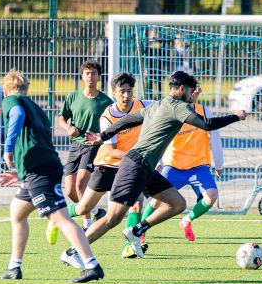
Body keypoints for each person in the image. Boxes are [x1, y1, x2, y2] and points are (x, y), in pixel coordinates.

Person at [81, 71, 247, 258]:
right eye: (190, 91)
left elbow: (128, 119)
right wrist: (235, 116)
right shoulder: (177, 107)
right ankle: (75, 251)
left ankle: (137, 231)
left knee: (177, 204)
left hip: (146, 167)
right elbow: (206, 124)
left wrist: (103, 135)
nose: (192, 95)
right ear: (182, 89)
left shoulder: (159, 105)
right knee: (113, 218)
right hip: (136, 164)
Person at [0, 69, 105, 283]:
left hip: (41, 171)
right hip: (42, 168)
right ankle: (14, 267)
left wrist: (8, 149)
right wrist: (21, 171)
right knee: (17, 212)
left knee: (60, 218)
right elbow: (37, 143)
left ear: (5, 88)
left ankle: (92, 265)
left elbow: (16, 117)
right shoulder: (36, 107)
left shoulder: (11, 101)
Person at [62, 72, 155, 259]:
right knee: (83, 208)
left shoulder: (143, 105)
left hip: (130, 166)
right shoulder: (108, 117)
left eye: (129, 91)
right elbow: (111, 151)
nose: (126, 96)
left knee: (136, 204)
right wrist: (138, 156)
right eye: (122, 92)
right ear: (114, 93)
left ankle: (130, 246)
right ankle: (61, 214)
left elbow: (165, 106)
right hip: (107, 166)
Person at [140, 85, 224, 243]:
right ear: (182, 91)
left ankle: (187, 220)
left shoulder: (204, 112)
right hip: (173, 166)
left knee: (211, 196)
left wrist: (219, 164)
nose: (194, 92)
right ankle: (141, 230)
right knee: (157, 199)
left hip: (198, 166)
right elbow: (158, 137)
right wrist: (157, 162)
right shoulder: (171, 111)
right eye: (190, 90)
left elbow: (215, 137)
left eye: (196, 89)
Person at [48, 59, 114, 242]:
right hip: (75, 146)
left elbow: (112, 126)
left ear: (99, 77)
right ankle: (96, 211)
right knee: (69, 191)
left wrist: (101, 137)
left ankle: (87, 225)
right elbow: (61, 118)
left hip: (93, 147)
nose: (90, 77)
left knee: (80, 184)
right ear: (82, 76)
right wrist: (68, 128)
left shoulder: (105, 101)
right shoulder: (73, 97)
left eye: (93, 73)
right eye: (87, 73)